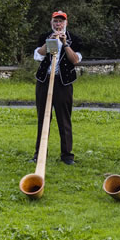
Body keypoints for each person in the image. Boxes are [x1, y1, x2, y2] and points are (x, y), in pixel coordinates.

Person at [32, 10, 82, 165]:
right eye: (55, 21)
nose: (58, 24)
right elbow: (37, 56)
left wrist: (65, 43)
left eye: (61, 21)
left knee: (64, 118)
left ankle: (67, 155)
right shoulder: (45, 36)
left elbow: (75, 60)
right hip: (44, 80)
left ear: (66, 23)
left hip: (63, 82)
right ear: (51, 22)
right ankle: (39, 154)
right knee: (43, 117)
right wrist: (49, 43)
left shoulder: (75, 39)